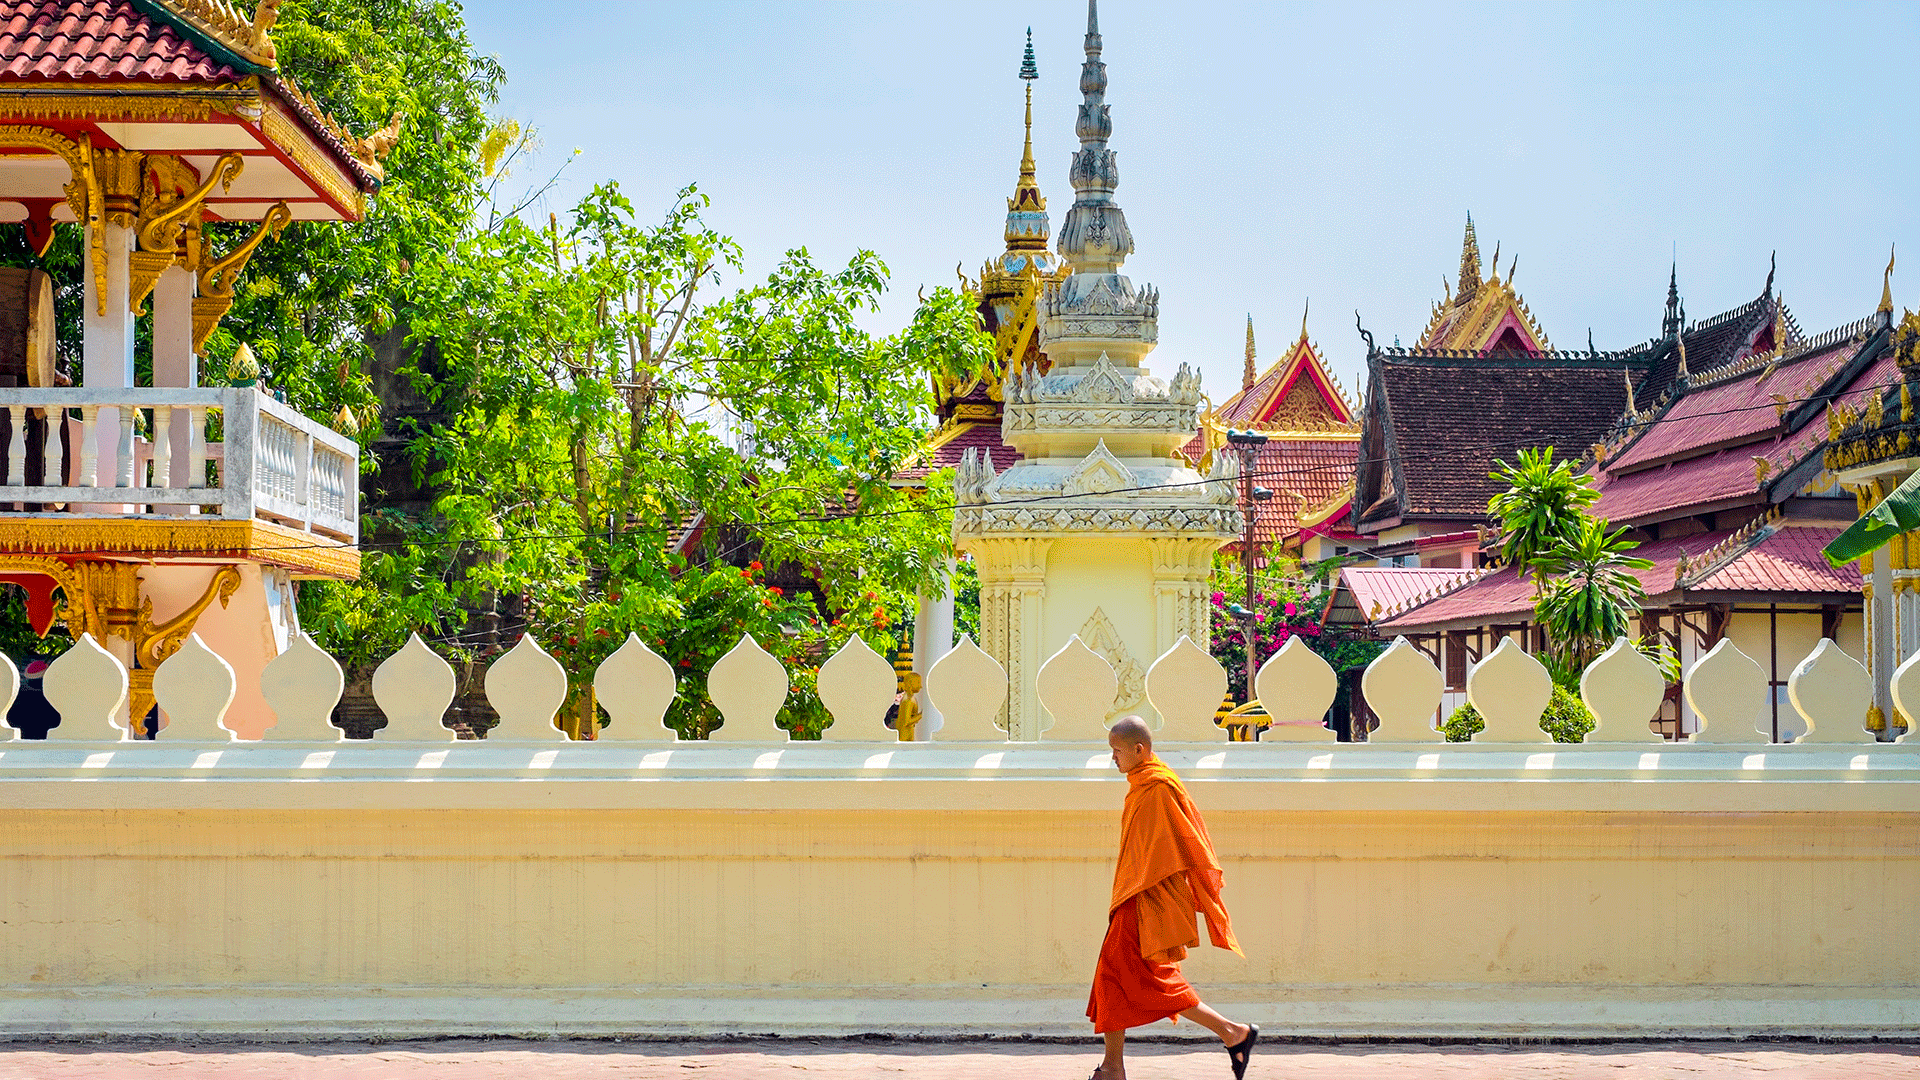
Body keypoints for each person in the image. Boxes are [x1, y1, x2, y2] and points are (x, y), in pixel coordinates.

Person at [1087, 715, 1257, 1080]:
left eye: (1117, 751)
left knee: (1129, 976)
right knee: (1116, 977)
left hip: (1150, 896)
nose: (1112, 759)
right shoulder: (1141, 783)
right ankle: (1114, 1066)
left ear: (1139, 749)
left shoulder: (1161, 787)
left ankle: (1231, 1032)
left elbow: (1185, 842)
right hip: (1135, 894)